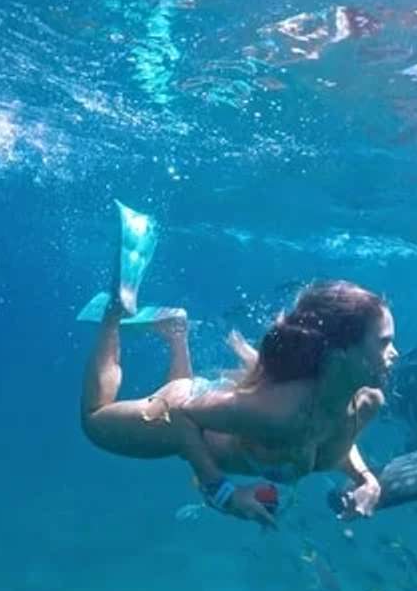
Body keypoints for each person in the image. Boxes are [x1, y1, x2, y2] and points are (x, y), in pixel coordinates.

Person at [78, 201, 397, 528]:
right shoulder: (279, 413)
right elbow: (181, 413)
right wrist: (222, 492)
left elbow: (335, 441)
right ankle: (115, 311)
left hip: (213, 407)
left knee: (184, 398)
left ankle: (175, 331)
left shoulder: (365, 403)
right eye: (385, 342)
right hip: (182, 413)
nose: (395, 353)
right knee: (94, 421)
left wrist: (366, 479)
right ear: (340, 352)